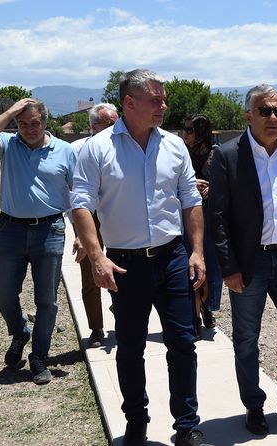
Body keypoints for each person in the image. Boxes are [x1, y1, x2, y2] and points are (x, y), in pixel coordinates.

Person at [72, 69, 213, 446]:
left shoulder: (174, 146)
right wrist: (96, 256)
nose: (163, 106)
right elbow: (81, 204)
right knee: (131, 348)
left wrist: (197, 252)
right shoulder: (97, 148)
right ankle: (136, 420)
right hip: (125, 264)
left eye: (164, 99)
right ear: (129, 103)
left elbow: (191, 200)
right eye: (155, 100)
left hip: (172, 258)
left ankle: (187, 425)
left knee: (182, 343)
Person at [208, 84, 277, 436]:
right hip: (248, 263)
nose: (273, 117)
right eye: (265, 110)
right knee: (246, 339)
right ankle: (253, 405)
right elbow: (218, 217)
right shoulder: (228, 155)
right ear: (248, 115)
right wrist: (229, 268)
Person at [0, 98, 77, 385]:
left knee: (47, 300)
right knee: (2, 291)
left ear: (45, 123)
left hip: (50, 230)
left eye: (35, 123)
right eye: (23, 123)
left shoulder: (65, 151)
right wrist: (9, 112)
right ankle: (20, 331)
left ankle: (39, 357)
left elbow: (78, 194)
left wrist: (82, 235)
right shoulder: (8, 144)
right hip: (11, 229)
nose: (29, 129)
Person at [70, 103, 119, 348]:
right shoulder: (78, 150)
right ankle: (96, 328)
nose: (115, 127)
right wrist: (80, 232)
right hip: (90, 218)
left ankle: (122, 311)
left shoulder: (123, 147)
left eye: (116, 122)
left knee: (121, 268)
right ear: (93, 127)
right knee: (90, 273)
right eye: (109, 124)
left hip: (117, 215)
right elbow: (73, 194)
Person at [181, 115, 222, 330]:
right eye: (184, 129)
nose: (185, 134)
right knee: (190, 267)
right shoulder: (180, 154)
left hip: (211, 219)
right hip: (187, 219)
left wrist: (213, 188)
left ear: (201, 132)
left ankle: (206, 306)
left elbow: (229, 183)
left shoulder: (217, 154)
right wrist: (190, 184)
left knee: (211, 268)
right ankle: (194, 317)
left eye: (190, 130)